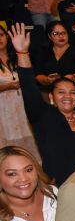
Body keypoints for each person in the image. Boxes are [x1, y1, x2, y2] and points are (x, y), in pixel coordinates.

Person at [10, 24, 75, 185]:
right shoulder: (43, 116)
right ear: (51, 97)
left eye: (72, 92)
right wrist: (22, 53)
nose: (67, 96)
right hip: (60, 187)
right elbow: (29, 87)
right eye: (61, 92)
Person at [0, 27, 38, 158]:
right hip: (3, 106)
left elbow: (31, 76)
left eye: (1, 35)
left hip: (23, 102)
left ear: (7, 37)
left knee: (30, 139)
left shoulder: (19, 56)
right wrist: (7, 86)